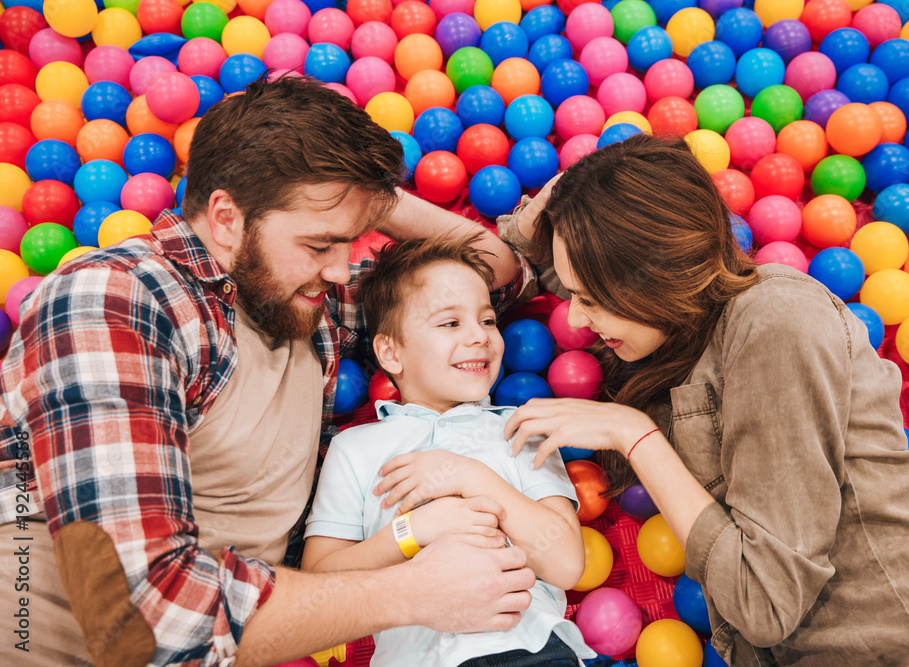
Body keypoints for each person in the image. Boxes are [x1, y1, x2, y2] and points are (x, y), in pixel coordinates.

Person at [381, 134, 909, 667]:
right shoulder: (662, 317)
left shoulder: (775, 323)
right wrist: (576, 192)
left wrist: (632, 435)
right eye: (573, 292)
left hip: (904, 647)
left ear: (651, 274)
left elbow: (764, 603)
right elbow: (522, 249)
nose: (573, 317)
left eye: (590, 298)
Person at [0, 74, 540, 667]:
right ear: (227, 217)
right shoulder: (114, 300)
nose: (340, 269)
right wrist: (416, 592)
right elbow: (145, 622)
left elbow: (494, 271)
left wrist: (370, 198)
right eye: (319, 244)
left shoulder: (305, 300)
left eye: (352, 241)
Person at [301, 235, 595, 667]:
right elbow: (318, 589)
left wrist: (469, 475)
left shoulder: (523, 430)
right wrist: (411, 532)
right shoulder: (354, 449)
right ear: (391, 351)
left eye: (488, 320)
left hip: (531, 650)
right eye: (450, 323)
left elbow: (567, 563)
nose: (480, 337)